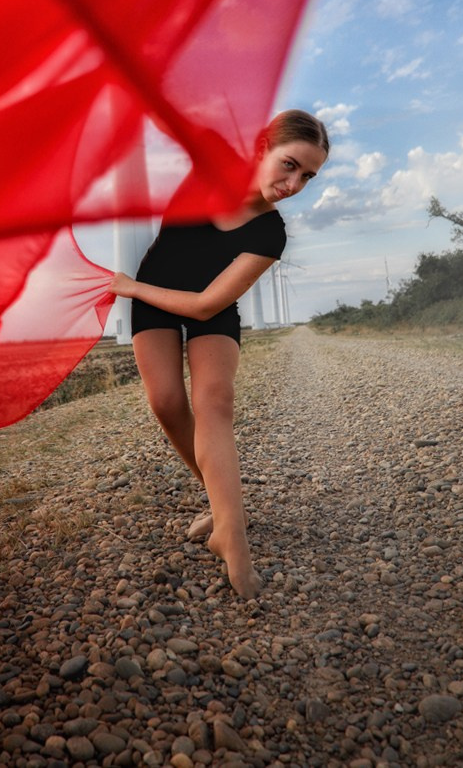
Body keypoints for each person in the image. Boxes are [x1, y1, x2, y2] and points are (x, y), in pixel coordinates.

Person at [108, 110, 329, 599]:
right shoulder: (207, 169)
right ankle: (224, 504)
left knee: (215, 400)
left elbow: (210, 302)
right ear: (259, 148)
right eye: (289, 165)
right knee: (166, 401)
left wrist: (130, 286)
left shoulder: (272, 234)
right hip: (153, 295)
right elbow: (172, 109)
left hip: (209, 308)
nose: (294, 183)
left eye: (307, 177)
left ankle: (233, 535)